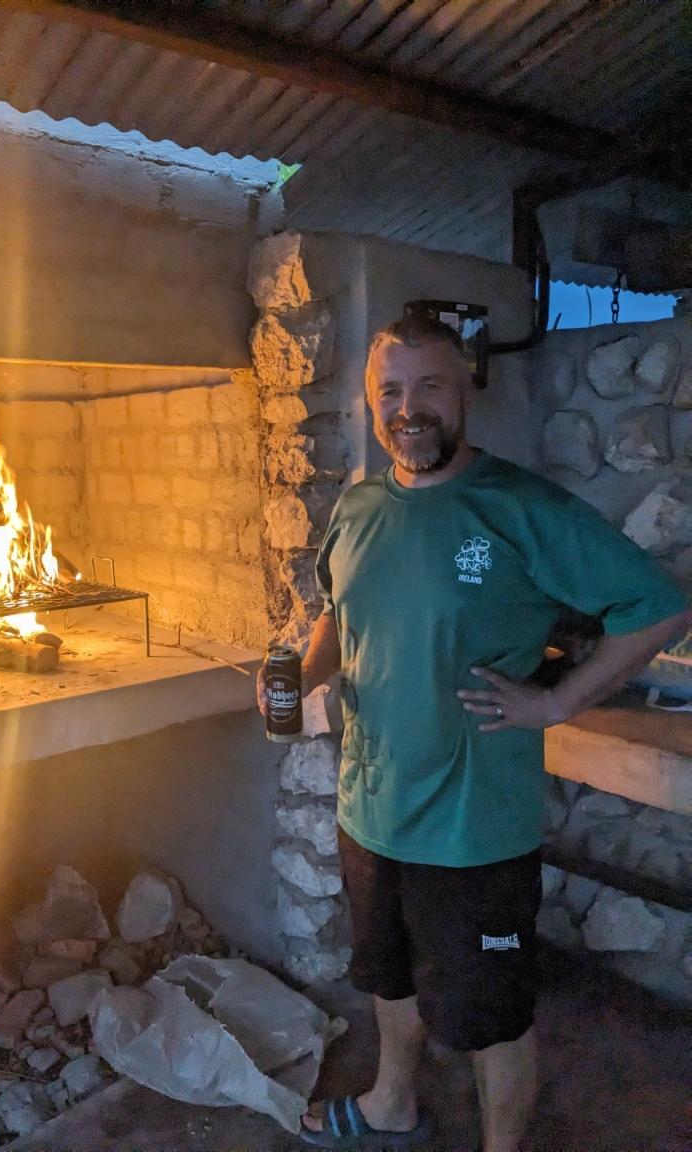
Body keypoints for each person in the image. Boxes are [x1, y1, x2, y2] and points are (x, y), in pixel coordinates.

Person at [257, 314, 688, 1152]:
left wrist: (557, 704)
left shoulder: (519, 507)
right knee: (388, 975)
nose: (407, 408)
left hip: (473, 831)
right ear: (370, 403)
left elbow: (658, 607)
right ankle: (392, 1106)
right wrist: (301, 675)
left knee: (492, 1019)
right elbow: (340, 618)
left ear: (463, 393)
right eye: (390, 391)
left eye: (429, 387)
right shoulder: (358, 506)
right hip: (369, 813)